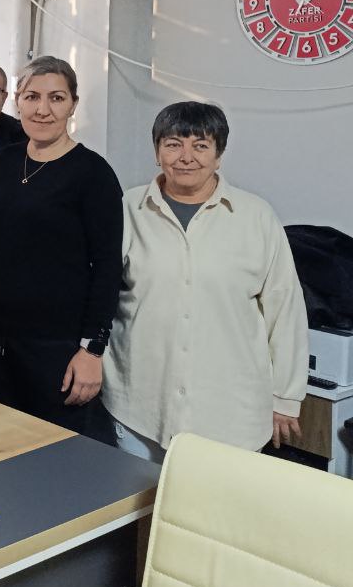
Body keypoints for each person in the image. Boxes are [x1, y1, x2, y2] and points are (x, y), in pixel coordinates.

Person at [103, 102, 308, 460]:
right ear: (157, 152)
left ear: (219, 155)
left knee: (223, 497)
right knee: (140, 497)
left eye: (200, 145)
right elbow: (101, 294)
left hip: (232, 413)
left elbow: (285, 308)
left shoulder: (256, 216)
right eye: (173, 144)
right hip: (139, 404)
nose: (186, 157)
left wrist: (286, 397)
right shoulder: (128, 209)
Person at [0, 56, 122, 440]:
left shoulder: (93, 173)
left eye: (56, 98)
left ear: (73, 105)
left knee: (55, 454)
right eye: (32, 97)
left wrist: (92, 350)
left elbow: (108, 267)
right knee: (1, 447)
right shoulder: (6, 161)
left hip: (58, 347)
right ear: (17, 102)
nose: (43, 109)